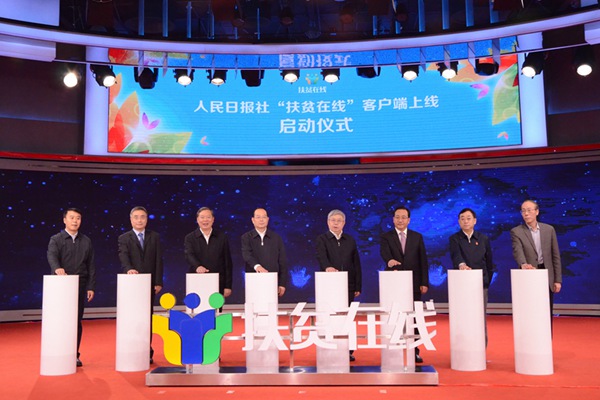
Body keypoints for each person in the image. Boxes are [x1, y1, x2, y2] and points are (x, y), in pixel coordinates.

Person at [47, 207, 96, 368]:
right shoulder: (56, 239)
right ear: (64, 220)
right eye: (72, 217)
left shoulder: (86, 241)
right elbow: (52, 256)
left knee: (76, 321)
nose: (75, 221)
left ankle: (74, 355)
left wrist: (91, 286)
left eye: (78, 218)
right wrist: (57, 268)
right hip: (61, 286)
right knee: (61, 321)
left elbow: (91, 265)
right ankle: (58, 353)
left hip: (80, 285)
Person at [379, 206, 429, 363]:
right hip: (394, 283)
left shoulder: (417, 237)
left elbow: (423, 260)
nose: (400, 220)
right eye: (397, 217)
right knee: (394, 316)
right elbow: (385, 253)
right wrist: (389, 261)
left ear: (409, 220)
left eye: (403, 217)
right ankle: (393, 348)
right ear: (393, 219)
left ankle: (415, 350)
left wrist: (424, 282)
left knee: (414, 318)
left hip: (414, 284)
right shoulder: (386, 237)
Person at [118, 206, 164, 364]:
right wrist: (129, 269)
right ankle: (133, 348)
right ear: (131, 219)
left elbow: (158, 260)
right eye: (136, 217)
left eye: (142, 217)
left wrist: (158, 281)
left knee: (147, 318)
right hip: (133, 285)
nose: (139, 220)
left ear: (147, 219)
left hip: (149, 285)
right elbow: (123, 257)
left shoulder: (154, 237)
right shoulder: (124, 238)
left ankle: (147, 350)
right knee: (133, 318)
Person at [315, 209, 362, 361]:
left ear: (344, 223)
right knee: (331, 317)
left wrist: (357, 285)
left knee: (347, 318)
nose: (336, 223)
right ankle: (330, 347)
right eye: (333, 220)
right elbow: (321, 257)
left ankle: (347, 350)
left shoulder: (350, 240)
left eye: (339, 221)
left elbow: (356, 263)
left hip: (348, 285)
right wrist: (327, 267)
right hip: (330, 286)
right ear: (328, 222)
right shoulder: (322, 239)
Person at [449, 208, 495, 345]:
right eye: (462, 218)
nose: (465, 221)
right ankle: (463, 347)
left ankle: (481, 347)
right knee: (463, 316)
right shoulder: (454, 239)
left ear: (475, 221)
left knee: (480, 317)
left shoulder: (483, 238)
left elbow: (489, 262)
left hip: (480, 284)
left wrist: (486, 280)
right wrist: (462, 265)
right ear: (459, 221)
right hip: (462, 284)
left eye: (468, 218)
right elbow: (456, 256)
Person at [510, 200, 562, 322]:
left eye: (529, 210)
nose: (526, 213)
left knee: (547, 311)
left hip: (547, 274)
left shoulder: (549, 230)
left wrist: (557, 280)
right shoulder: (516, 231)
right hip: (529, 274)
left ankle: (548, 334)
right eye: (523, 211)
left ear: (537, 212)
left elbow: (555, 256)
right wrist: (523, 264)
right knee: (531, 311)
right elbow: (517, 251)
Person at [184, 207, 233, 298]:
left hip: (218, 282)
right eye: (202, 217)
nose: (205, 220)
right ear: (197, 219)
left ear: (213, 219)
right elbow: (189, 254)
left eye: (208, 217)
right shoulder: (190, 238)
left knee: (216, 306)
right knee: (198, 306)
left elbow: (227, 262)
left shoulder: (221, 237)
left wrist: (228, 286)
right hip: (197, 280)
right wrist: (198, 266)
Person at [241, 208, 287, 297]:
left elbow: (282, 261)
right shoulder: (246, 237)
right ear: (253, 220)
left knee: (271, 304)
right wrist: (257, 266)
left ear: (268, 219)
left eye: (264, 217)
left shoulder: (276, 238)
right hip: (253, 280)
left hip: (272, 281)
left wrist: (282, 283)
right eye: (258, 217)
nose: (261, 220)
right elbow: (246, 255)